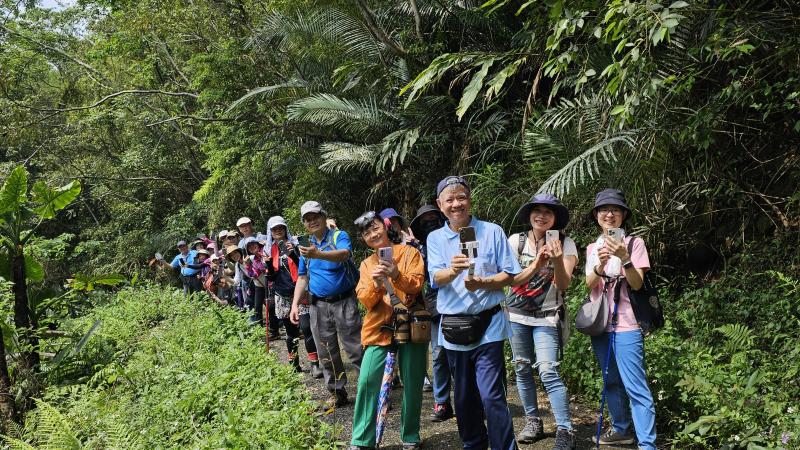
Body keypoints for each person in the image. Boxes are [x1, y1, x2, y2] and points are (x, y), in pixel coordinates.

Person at [426, 176, 522, 450]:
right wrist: (453, 271)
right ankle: (474, 444)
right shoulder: (435, 238)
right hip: (454, 328)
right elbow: (435, 277)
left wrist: (483, 282)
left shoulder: (492, 231)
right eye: (450, 199)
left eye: (461, 197)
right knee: (464, 399)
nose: (456, 204)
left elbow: (510, 274)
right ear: (440, 205)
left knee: (492, 396)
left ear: (469, 200)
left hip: (489, 324)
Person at [585, 189, 656, 449]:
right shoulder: (592, 248)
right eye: (604, 209)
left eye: (615, 209)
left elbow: (637, 284)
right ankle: (621, 429)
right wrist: (600, 265)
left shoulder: (635, 244)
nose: (609, 214)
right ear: (596, 215)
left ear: (623, 215)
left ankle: (647, 444)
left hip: (627, 324)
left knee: (636, 387)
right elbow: (589, 284)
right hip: (600, 324)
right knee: (611, 381)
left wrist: (624, 258)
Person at [349, 211, 427, 450]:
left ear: (386, 227)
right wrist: (375, 284)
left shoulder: (409, 253)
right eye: (367, 233)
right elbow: (365, 300)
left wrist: (395, 274)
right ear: (364, 240)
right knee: (367, 381)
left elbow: (416, 285)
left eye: (375, 228)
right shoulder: (366, 264)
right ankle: (362, 440)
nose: (373, 234)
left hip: (411, 325)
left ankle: (410, 435)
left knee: (412, 381)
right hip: (379, 328)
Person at [507, 193, 577, 449]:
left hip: (547, 315)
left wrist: (556, 260)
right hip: (517, 315)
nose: (542, 216)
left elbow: (564, 284)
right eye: (537, 211)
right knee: (522, 368)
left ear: (556, 218)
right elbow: (511, 279)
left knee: (548, 370)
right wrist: (537, 263)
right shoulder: (516, 241)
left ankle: (565, 429)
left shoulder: (566, 244)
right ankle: (533, 421)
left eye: (548, 212)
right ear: (529, 215)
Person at [289, 200, 363, 408]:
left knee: (355, 348)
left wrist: (318, 253)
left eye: (315, 217)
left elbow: (344, 255)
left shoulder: (338, 236)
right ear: (304, 224)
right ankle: (337, 392)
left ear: (323, 216)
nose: (312, 221)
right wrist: (295, 305)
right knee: (326, 351)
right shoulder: (305, 247)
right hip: (318, 305)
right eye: (307, 219)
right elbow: (302, 277)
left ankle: (371, 391)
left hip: (344, 301)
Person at [409, 204, 454, 422]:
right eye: (425, 221)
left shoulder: (454, 239)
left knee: (460, 354)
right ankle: (442, 402)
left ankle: (467, 400)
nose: (430, 223)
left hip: (459, 300)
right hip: (435, 304)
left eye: (433, 218)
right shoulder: (418, 249)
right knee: (438, 353)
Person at [264, 216, 311, 373]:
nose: (278, 231)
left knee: (307, 328)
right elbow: (271, 277)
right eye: (274, 229)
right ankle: (294, 364)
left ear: (285, 229)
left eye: (281, 228)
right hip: (282, 294)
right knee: (291, 333)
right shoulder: (269, 250)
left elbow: (304, 267)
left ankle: (315, 363)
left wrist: (292, 253)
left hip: (301, 292)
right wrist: (268, 263)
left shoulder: (296, 244)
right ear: (270, 232)